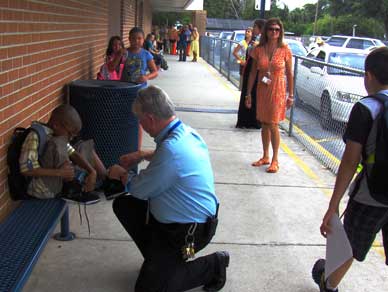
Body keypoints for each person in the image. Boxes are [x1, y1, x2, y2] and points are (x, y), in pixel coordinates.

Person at [112, 85, 230, 292]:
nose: (140, 124)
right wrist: (141, 155)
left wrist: (120, 174)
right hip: (177, 223)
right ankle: (161, 262)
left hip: (187, 232)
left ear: (150, 118)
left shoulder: (171, 150)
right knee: (124, 205)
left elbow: (138, 188)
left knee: (149, 289)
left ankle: (213, 265)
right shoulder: (185, 132)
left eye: (140, 119)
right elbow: (166, 156)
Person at [312, 47, 388, 292]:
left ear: (368, 76)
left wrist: (333, 206)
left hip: (371, 195)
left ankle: (329, 284)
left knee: (348, 248)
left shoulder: (366, 108)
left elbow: (349, 162)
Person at [19, 104, 106, 204]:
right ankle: (70, 191)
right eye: (70, 133)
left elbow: (73, 153)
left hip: (55, 181)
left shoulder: (54, 133)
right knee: (59, 143)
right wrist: (60, 172)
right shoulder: (35, 136)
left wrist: (92, 171)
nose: (71, 138)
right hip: (41, 189)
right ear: (56, 125)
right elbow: (27, 170)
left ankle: (78, 185)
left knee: (83, 146)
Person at [245, 18, 294, 173]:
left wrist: (291, 95)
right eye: (271, 29)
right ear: (266, 31)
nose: (274, 32)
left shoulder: (285, 49)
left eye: (277, 30)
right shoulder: (258, 49)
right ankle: (265, 156)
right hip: (262, 89)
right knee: (264, 123)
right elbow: (252, 72)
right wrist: (248, 94)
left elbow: (290, 73)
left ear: (281, 32)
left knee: (273, 124)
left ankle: (275, 160)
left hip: (278, 90)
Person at [235, 20, 265, 129]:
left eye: (255, 27)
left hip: (255, 71)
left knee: (253, 94)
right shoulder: (254, 40)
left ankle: (253, 120)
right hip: (249, 69)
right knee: (247, 93)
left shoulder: (262, 41)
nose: (253, 30)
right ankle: (245, 120)